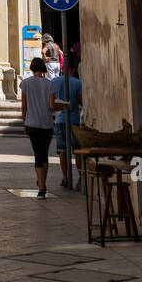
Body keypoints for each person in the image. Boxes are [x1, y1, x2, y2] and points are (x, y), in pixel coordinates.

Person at [20, 57, 58, 198]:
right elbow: (52, 106)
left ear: (32, 68)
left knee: (37, 154)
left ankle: (41, 187)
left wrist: (25, 122)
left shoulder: (25, 83)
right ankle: (43, 184)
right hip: (46, 124)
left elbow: (24, 107)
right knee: (44, 155)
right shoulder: (50, 84)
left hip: (32, 124)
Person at [54, 59, 83, 187]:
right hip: (74, 120)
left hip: (60, 119)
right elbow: (81, 101)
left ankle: (65, 177)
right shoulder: (78, 83)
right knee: (77, 150)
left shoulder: (54, 81)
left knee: (62, 150)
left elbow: (52, 100)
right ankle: (81, 177)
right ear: (73, 69)